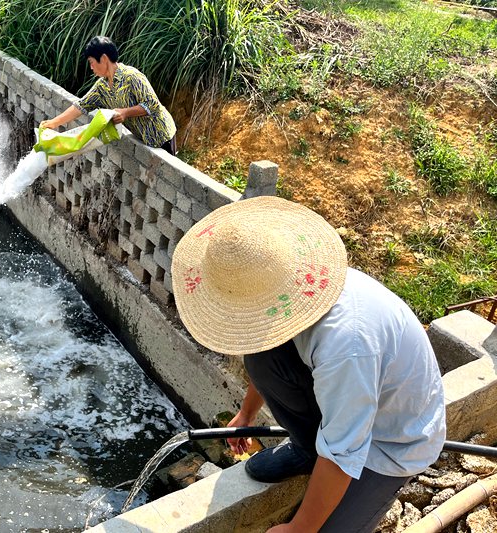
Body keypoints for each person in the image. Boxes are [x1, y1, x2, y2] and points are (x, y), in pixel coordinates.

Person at [171, 196, 446, 533]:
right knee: (260, 356)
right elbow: (263, 341)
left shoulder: (346, 346)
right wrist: (246, 414)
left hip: (391, 440)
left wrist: (298, 528)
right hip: (353, 403)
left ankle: (326, 464)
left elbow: (344, 451)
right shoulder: (295, 291)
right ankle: (307, 450)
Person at [39, 36, 178, 155]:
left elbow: (152, 104)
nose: (91, 67)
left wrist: (125, 112)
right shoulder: (102, 86)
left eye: (92, 62)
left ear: (104, 59)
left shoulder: (131, 76)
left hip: (162, 136)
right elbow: (81, 106)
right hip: (143, 139)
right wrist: (53, 123)